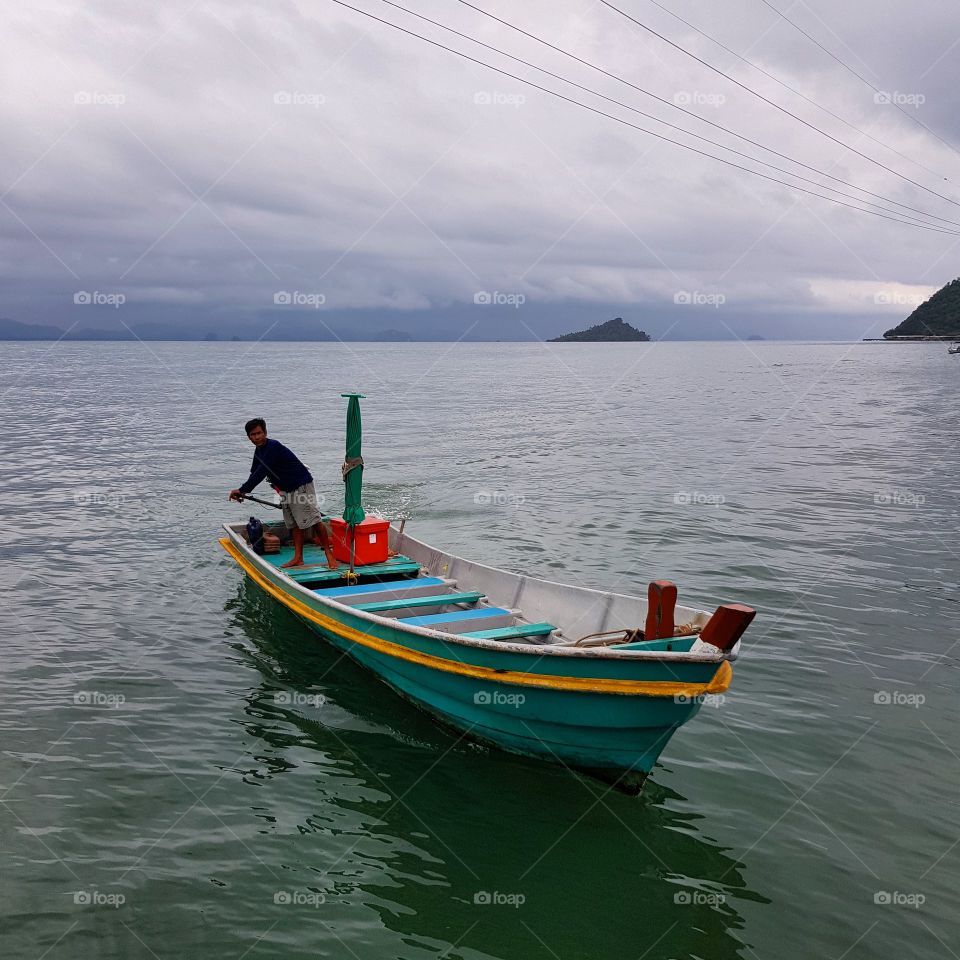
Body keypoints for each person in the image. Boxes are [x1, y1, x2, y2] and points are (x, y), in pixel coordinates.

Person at [228, 418, 336, 570]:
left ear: (265, 433)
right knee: (293, 524)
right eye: (253, 434)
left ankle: (328, 554)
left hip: (301, 485)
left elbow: (261, 472)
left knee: (314, 519)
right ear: (249, 437)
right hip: (285, 490)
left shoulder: (273, 447)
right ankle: (298, 558)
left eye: (259, 433)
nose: (256, 437)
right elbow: (254, 472)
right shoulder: (259, 451)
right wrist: (242, 492)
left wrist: (243, 489)